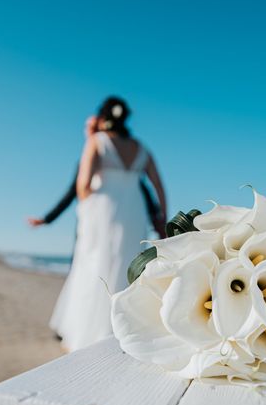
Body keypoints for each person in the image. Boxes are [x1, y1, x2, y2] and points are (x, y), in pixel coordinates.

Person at [49, 97, 167, 351]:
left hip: (104, 209)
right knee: (129, 263)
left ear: (103, 117)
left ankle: (90, 333)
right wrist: (162, 218)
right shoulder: (141, 148)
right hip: (133, 211)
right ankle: (127, 329)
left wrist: (91, 201)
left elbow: (82, 186)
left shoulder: (97, 142)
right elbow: (158, 186)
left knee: (95, 263)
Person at [27, 167, 166, 237]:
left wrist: (156, 219)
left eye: (92, 126)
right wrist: (46, 219)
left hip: (120, 224)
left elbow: (141, 189)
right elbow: (72, 192)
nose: (88, 130)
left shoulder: (115, 155)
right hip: (95, 223)